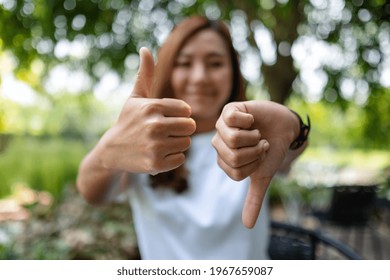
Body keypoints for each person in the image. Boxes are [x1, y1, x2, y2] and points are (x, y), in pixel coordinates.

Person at [76, 16, 310, 259]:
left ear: (233, 71)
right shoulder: (144, 140)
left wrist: (295, 127)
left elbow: (288, 153)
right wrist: (107, 153)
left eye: (215, 63)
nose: (199, 77)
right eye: (185, 63)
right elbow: (92, 192)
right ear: (168, 70)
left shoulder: (251, 136)